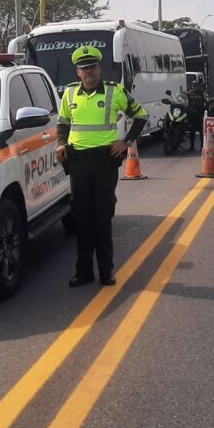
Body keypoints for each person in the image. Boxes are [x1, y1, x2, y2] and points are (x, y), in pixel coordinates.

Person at [56, 45, 148, 287]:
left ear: (100, 68)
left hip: (104, 163)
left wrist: (125, 141)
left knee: (103, 217)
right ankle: (84, 271)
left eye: (93, 67)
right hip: (78, 163)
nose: (89, 72)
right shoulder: (69, 94)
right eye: (84, 68)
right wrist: (60, 144)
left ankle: (106, 271)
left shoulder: (114, 92)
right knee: (82, 218)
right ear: (78, 72)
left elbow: (141, 115)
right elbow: (63, 122)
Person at [186, 81, 206, 151]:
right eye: (193, 86)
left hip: (200, 115)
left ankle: (202, 147)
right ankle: (192, 146)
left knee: (201, 132)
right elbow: (186, 102)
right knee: (192, 132)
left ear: (198, 86)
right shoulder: (189, 93)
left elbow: (206, 102)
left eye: (196, 86)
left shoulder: (202, 93)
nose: (194, 87)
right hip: (192, 116)